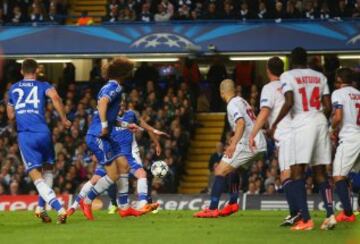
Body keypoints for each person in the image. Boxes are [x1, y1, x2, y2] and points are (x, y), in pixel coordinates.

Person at [269, 47, 334, 231]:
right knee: (320, 171)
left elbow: (289, 102)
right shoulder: (320, 77)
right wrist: (319, 120)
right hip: (320, 120)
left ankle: (306, 219)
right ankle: (330, 215)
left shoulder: (287, 76)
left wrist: (275, 123)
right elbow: (328, 106)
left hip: (302, 123)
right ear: (306, 60)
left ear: (291, 61)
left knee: (297, 171)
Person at [7, 59, 71, 224]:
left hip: (26, 135)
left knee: (36, 175)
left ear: (22, 71)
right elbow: (55, 97)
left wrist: (21, 112)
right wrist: (63, 119)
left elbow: (11, 116)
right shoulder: (43, 85)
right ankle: (41, 208)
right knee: (48, 168)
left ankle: (59, 208)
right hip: (43, 132)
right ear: (37, 70)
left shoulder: (13, 89)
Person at [194, 79, 266, 218]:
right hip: (259, 142)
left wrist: (233, 145)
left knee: (220, 171)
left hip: (249, 143)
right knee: (233, 170)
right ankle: (233, 203)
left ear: (222, 93)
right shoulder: (242, 101)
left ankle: (213, 208)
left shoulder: (232, 104)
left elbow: (241, 123)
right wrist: (235, 138)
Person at [79, 57, 134, 220]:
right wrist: (104, 125)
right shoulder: (115, 87)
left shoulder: (111, 86)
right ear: (123, 73)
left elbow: (109, 115)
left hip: (105, 135)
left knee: (124, 166)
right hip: (98, 136)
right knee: (113, 175)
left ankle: (124, 208)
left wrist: (126, 125)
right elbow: (103, 104)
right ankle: (87, 201)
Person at [249, 57, 300, 226]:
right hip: (300, 133)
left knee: (286, 174)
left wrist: (253, 133)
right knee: (294, 173)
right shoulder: (290, 86)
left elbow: (264, 112)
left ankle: (296, 213)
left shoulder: (269, 88)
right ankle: (299, 212)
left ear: (268, 70)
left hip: (285, 134)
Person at [330, 67, 360, 223]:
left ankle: (348, 213)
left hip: (349, 138)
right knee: (354, 175)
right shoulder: (359, 94)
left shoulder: (338, 93)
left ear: (339, 80)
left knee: (338, 175)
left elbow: (338, 116)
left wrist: (331, 128)